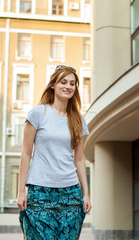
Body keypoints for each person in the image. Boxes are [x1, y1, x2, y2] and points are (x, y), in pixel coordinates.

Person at [17, 65, 92, 240]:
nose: (68, 86)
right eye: (63, 82)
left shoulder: (78, 120)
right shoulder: (38, 114)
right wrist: (21, 191)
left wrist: (85, 194)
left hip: (71, 195)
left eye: (72, 83)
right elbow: (26, 154)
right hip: (40, 193)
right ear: (53, 85)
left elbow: (79, 159)